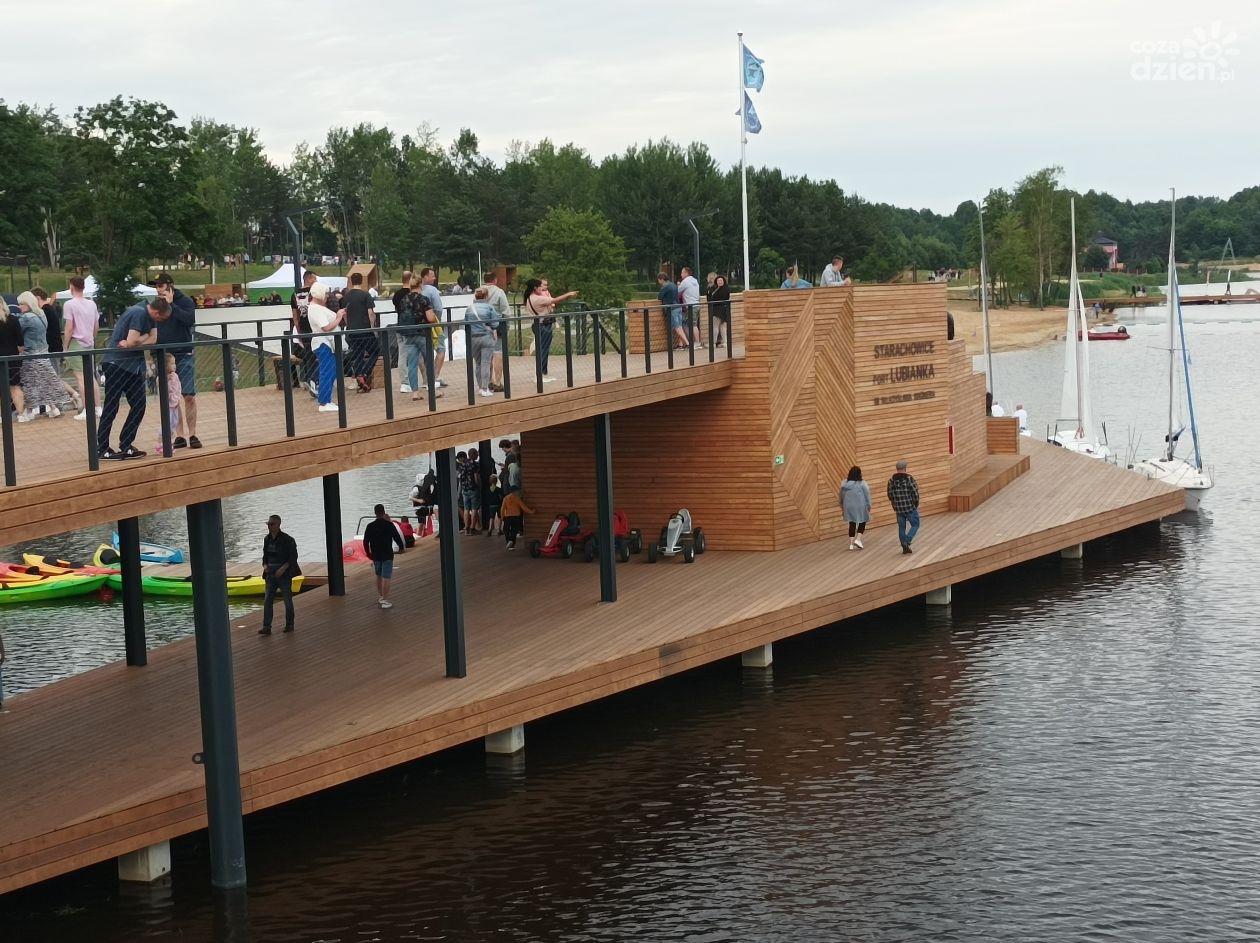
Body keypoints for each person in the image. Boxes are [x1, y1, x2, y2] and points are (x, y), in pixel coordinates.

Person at [98, 297, 170, 460]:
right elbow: (131, 341)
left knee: (139, 405)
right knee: (112, 406)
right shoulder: (138, 313)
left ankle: (126, 444)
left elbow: (152, 339)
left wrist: (139, 339)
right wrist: (140, 339)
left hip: (134, 367)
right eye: (161, 319)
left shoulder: (151, 316)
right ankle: (101, 447)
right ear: (156, 312)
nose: (160, 322)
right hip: (117, 364)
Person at [154, 273, 200, 447]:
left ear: (169, 285)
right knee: (172, 399)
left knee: (189, 394)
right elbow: (154, 328)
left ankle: (193, 434)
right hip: (164, 355)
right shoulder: (157, 304)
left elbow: (189, 320)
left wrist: (172, 304)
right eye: (156, 286)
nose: (157, 288)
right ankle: (179, 435)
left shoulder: (185, 301)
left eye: (160, 285)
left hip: (183, 353)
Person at [15, 292, 69, 421]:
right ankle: (53, 408)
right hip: (43, 353)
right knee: (42, 382)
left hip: (30, 355)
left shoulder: (26, 318)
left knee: (29, 383)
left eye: (21, 304)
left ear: (27, 304)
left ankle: (28, 412)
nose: (19, 307)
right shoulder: (41, 315)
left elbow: (17, 332)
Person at [523, 277, 578, 382]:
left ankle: (542, 373)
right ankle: (539, 375)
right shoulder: (537, 298)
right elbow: (555, 300)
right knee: (543, 350)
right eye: (540, 287)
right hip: (543, 326)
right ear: (535, 288)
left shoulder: (530, 297)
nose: (542, 289)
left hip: (538, 325)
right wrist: (568, 294)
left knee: (543, 349)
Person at [62, 276, 101, 419]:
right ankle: (97, 407)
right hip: (89, 343)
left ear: (71, 286)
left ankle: (86, 409)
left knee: (80, 378)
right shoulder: (92, 304)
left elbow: (69, 328)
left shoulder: (69, 304)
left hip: (76, 343)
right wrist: (92, 339)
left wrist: (65, 347)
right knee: (90, 376)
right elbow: (96, 326)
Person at [259, 514, 300, 635]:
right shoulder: (267, 539)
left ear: (278, 524)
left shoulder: (288, 540)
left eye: (271, 524)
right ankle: (266, 627)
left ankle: (290, 624)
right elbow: (265, 556)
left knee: (287, 600)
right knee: (267, 601)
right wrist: (265, 565)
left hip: (284, 575)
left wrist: (284, 568)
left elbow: (293, 557)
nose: (269, 526)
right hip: (270, 574)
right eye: (268, 524)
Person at [307, 283, 344, 413]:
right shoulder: (315, 309)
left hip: (325, 343)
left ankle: (326, 400)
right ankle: (324, 402)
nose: (327, 296)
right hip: (323, 343)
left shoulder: (316, 307)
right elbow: (326, 327)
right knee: (327, 372)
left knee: (330, 371)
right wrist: (339, 317)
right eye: (325, 293)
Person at [363, 503, 406, 609]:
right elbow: (397, 539)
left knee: (378, 576)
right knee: (386, 577)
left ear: (375, 513)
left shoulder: (370, 526)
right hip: (387, 554)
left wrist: (369, 554)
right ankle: (385, 600)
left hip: (375, 555)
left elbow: (365, 542)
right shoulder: (389, 525)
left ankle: (381, 596)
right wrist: (401, 548)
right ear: (383, 512)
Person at [343, 272, 377, 392]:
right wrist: (372, 327)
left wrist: (348, 325)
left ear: (351, 281)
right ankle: (365, 373)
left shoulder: (346, 297)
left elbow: (344, 314)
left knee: (357, 355)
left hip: (351, 331)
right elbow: (370, 313)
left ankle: (358, 374)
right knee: (375, 351)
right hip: (365, 330)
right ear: (361, 281)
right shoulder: (365, 295)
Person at [481, 270, 511, 392]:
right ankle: (497, 382)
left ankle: (487, 381)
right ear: (495, 280)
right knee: (498, 353)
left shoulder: (478, 291)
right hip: (497, 326)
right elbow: (506, 312)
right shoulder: (499, 292)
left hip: (481, 327)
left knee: (486, 355)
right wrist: (506, 327)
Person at [291, 269, 320, 396]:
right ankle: (315, 382)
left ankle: (310, 380)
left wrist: (298, 331)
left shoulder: (294, 294)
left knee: (309, 356)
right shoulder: (314, 292)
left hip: (303, 329)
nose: (316, 281)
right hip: (315, 327)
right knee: (319, 355)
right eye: (314, 279)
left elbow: (295, 316)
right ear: (308, 279)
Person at [467, 287, 500, 397]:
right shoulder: (489, 308)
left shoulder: (469, 308)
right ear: (486, 296)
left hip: (473, 338)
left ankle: (480, 387)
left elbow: (466, 323)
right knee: (486, 362)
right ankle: (485, 388)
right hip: (486, 337)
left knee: (478, 363)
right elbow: (495, 324)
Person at [419, 268, 448, 388]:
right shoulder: (432, 290)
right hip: (433, 325)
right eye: (432, 276)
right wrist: (437, 322)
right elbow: (439, 308)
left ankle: (426, 378)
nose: (434, 278)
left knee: (422, 353)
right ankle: (435, 376)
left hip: (420, 326)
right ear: (425, 277)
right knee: (441, 349)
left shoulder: (416, 291)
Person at [886, 460, 921, 554]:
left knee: (901, 527)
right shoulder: (909, 479)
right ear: (905, 468)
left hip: (898, 509)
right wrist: (915, 504)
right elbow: (915, 493)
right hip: (910, 507)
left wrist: (895, 504)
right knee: (915, 525)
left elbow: (890, 495)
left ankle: (903, 545)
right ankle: (907, 541)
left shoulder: (891, 481)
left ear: (897, 469)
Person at [0, 304, 25, 419]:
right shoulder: (14, 320)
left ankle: (1, 417)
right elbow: (20, 342)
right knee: (15, 387)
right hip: (13, 358)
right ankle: (21, 415)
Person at [840, 466, 872, 551]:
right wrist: (869, 506)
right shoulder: (862, 483)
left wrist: (842, 506)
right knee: (863, 521)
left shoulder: (844, 483)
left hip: (848, 505)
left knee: (852, 523)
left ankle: (851, 544)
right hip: (860, 505)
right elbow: (867, 495)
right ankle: (858, 539)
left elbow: (841, 496)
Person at [156, 354, 183, 456]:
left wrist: (178, 397)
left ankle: (169, 442)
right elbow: (163, 389)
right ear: (165, 365)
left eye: (174, 363)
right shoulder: (161, 378)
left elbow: (178, 387)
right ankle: (160, 443)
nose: (174, 365)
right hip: (167, 404)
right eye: (172, 363)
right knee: (166, 423)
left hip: (175, 403)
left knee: (174, 422)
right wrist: (168, 380)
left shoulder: (175, 376)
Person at [656, 272, 684, 350]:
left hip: (672, 308)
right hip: (678, 306)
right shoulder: (673, 285)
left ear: (661, 279)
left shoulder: (665, 287)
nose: (658, 282)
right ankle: (680, 345)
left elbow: (659, 297)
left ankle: (688, 344)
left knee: (677, 327)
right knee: (680, 327)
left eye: (658, 280)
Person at [677, 266, 702, 347]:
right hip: (697, 304)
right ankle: (692, 342)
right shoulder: (694, 280)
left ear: (686, 273)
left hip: (691, 306)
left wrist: (678, 285)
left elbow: (678, 291)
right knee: (689, 324)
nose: (681, 274)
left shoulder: (685, 281)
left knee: (693, 325)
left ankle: (697, 342)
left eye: (682, 272)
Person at [460, 447, 482, 533]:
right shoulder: (475, 465)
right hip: (473, 489)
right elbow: (476, 478)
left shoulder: (463, 463)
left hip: (464, 489)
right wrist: (479, 485)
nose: (477, 455)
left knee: (466, 509)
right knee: (474, 509)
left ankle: (466, 527)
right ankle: (473, 528)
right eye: (476, 454)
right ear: (473, 455)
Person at [410, 468, 438, 536]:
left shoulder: (426, 487)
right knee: (421, 523)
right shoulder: (416, 489)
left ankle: (440, 525)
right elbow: (410, 497)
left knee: (436, 510)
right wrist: (418, 500)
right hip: (419, 508)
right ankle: (418, 535)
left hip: (426, 507)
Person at [708, 274, 732, 347]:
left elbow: (713, 298)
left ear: (724, 281)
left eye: (721, 280)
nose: (719, 282)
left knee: (716, 326)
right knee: (722, 327)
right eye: (718, 281)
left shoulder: (724, 289)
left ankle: (713, 343)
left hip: (718, 310)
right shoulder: (716, 289)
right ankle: (725, 342)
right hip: (723, 310)